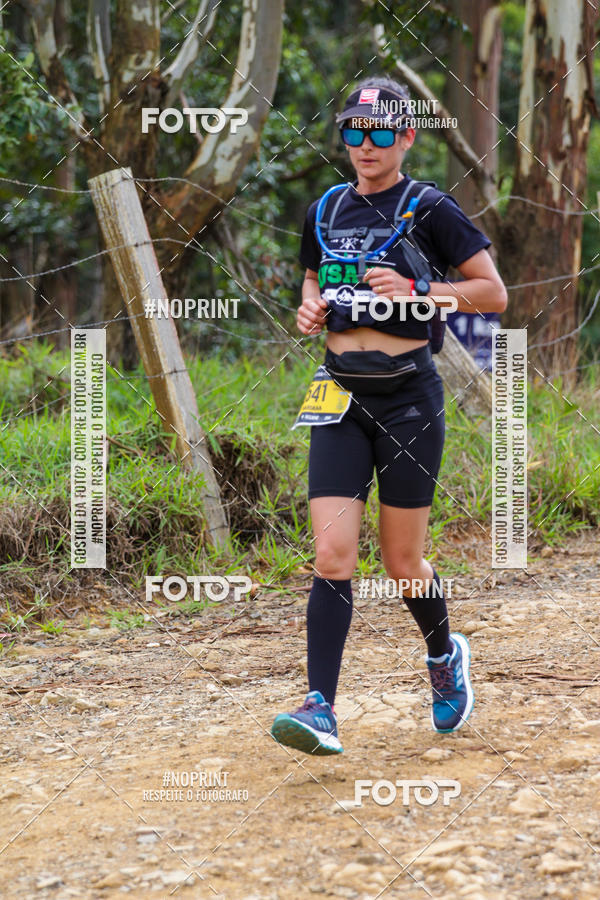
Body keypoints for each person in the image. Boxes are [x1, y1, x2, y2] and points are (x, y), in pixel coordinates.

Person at [271, 76, 507, 756]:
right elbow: (313, 283)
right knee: (332, 554)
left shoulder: (428, 207)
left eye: (381, 134)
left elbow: (492, 294)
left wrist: (419, 289)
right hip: (338, 395)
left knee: (402, 560)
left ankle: (443, 656)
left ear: (406, 137)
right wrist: (308, 310)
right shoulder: (326, 208)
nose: (366, 146)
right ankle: (321, 707)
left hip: (408, 401)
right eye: (354, 132)